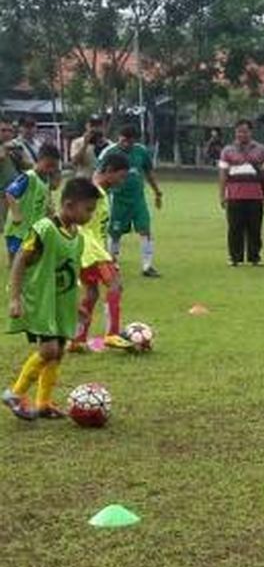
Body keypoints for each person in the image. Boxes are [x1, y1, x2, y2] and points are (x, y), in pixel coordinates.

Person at [3, 178, 101, 419]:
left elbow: (71, 271)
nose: (90, 215)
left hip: (62, 304)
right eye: (88, 209)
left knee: (59, 352)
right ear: (68, 205)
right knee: (48, 350)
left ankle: (43, 403)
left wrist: (77, 303)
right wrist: (15, 298)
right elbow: (20, 261)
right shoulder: (44, 229)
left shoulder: (77, 237)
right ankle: (14, 394)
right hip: (41, 301)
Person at [68, 154, 132, 353]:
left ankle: (78, 339)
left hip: (91, 249)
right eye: (120, 177)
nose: (122, 182)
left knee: (92, 293)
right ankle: (112, 334)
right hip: (90, 249)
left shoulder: (101, 192)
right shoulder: (94, 192)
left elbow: (98, 227)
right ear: (109, 170)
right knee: (115, 285)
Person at [98, 125, 163, 278]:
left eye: (130, 141)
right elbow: (99, 174)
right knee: (115, 233)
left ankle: (147, 266)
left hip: (138, 199)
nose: (126, 144)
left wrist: (157, 191)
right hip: (118, 199)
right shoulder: (109, 152)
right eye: (123, 140)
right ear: (119, 137)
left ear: (135, 140)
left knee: (145, 230)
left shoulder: (141, 151)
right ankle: (112, 262)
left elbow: (148, 172)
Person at [218, 118, 264, 267]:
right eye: (239, 131)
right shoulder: (227, 150)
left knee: (255, 228)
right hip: (235, 196)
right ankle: (235, 258)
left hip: (255, 196)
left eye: (245, 131)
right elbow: (223, 174)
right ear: (235, 132)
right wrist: (222, 195)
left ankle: (254, 257)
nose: (242, 134)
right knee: (234, 228)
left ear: (251, 132)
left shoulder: (261, 150)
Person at [5, 144, 60, 266]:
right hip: (18, 229)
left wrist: (51, 212)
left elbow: (44, 200)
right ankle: (12, 282)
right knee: (16, 261)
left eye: (54, 167)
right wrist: (16, 214)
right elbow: (10, 193)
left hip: (32, 228)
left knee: (29, 260)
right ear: (39, 160)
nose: (51, 169)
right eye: (48, 165)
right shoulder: (28, 177)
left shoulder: (46, 180)